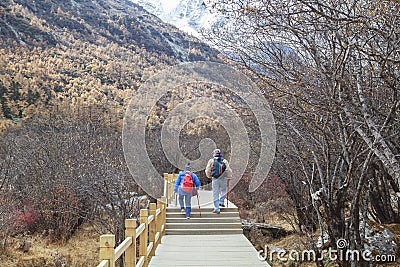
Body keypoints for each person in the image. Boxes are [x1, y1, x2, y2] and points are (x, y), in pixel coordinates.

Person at [205, 149, 232, 214]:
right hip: (223, 178)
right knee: (224, 190)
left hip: (215, 179)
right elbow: (228, 170)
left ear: (214, 154)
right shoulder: (224, 161)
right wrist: (229, 177)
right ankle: (221, 201)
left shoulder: (211, 161)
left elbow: (208, 170)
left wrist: (209, 176)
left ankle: (217, 209)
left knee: (215, 193)